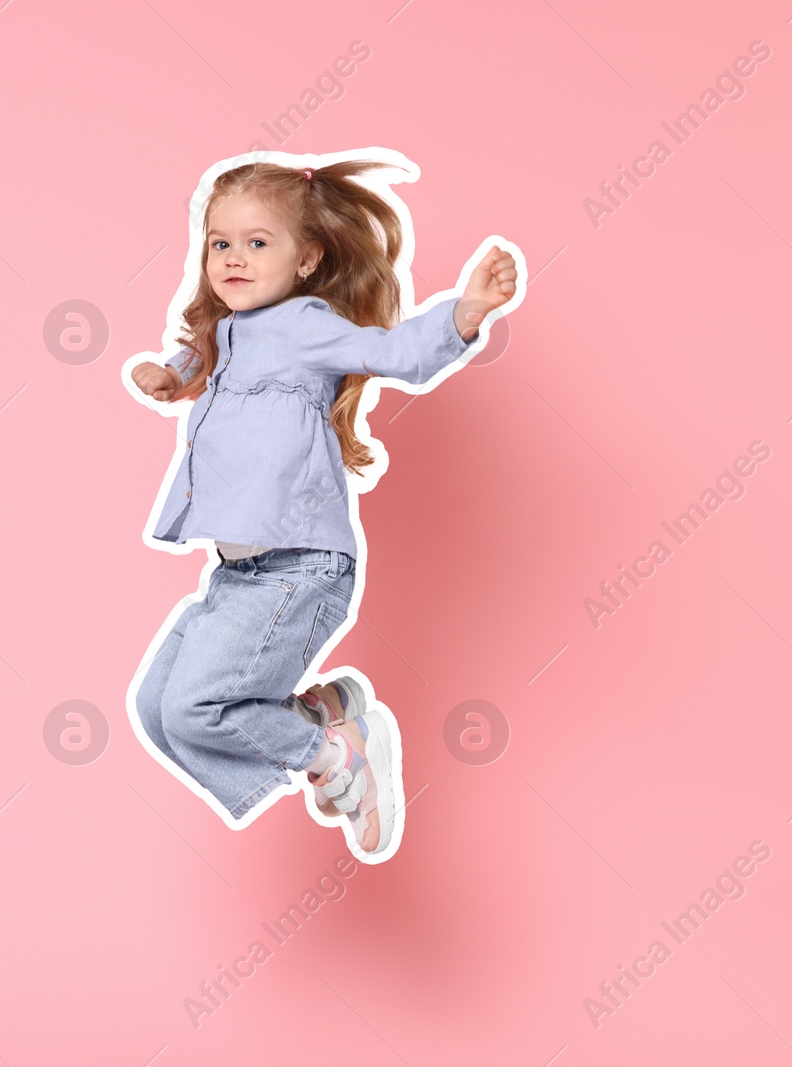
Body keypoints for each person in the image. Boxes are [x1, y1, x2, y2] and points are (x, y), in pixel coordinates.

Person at [127, 158, 517, 861]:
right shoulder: (226, 330)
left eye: (257, 242)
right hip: (239, 574)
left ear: (308, 258)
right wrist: (172, 374)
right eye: (220, 243)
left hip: (298, 567)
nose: (233, 259)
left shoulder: (307, 324)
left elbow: (393, 352)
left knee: (195, 708)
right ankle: (313, 715)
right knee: (157, 708)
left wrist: (464, 312)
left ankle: (334, 755)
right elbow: (203, 351)